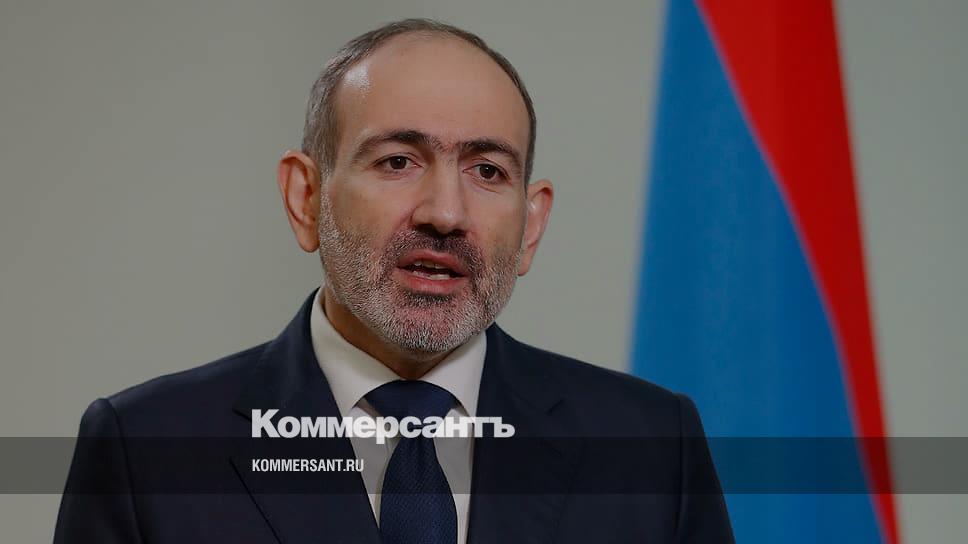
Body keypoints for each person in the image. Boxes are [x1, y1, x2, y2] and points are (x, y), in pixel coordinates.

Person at [54, 18, 733, 543]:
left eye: (488, 171)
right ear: (306, 197)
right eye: (398, 161)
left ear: (530, 225)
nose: (445, 214)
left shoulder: (652, 448)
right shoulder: (146, 450)